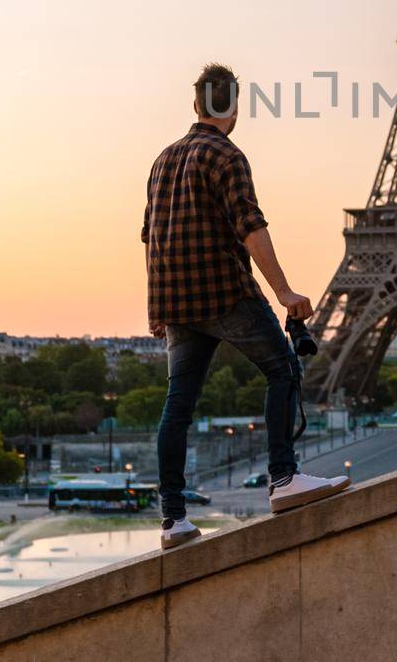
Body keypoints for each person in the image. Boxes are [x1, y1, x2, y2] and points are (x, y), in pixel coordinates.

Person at [143, 63, 349, 549]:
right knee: (283, 370)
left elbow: (148, 235)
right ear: (233, 107)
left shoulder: (163, 160)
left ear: (196, 105)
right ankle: (284, 478)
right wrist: (283, 292)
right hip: (222, 292)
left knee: (178, 405)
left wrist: (156, 307)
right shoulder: (226, 155)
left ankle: (173, 518)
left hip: (176, 301)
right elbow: (250, 226)